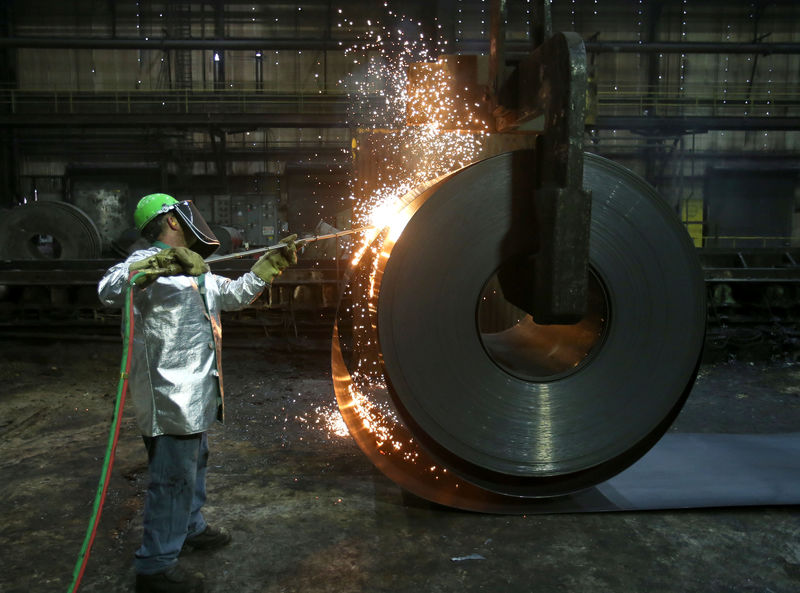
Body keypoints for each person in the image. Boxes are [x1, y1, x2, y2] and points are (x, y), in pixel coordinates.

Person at [98, 193, 296, 593]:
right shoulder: (140, 267)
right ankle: (154, 566)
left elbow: (236, 295)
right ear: (171, 221)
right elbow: (109, 288)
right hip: (167, 397)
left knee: (194, 464)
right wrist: (158, 263)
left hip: (197, 392)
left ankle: (189, 527)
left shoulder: (198, 272)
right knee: (172, 478)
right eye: (182, 218)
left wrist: (267, 265)